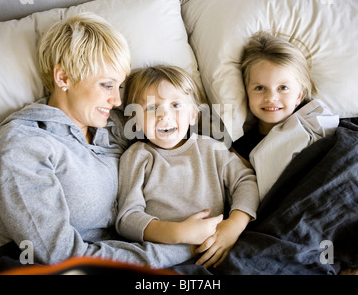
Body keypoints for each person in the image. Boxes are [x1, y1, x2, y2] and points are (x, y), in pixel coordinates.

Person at [0, 13, 192, 269]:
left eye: (119, 87)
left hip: (145, 253)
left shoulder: (112, 125)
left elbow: (186, 135)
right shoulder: (20, 146)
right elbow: (60, 254)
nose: (116, 100)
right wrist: (183, 247)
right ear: (63, 78)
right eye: (106, 85)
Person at [116, 65, 259, 269]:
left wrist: (233, 226)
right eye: (151, 107)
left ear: (193, 115)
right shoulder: (137, 157)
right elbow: (127, 218)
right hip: (168, 258)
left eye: (175, 105)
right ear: (135, 121)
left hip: (220, 248)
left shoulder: (211, 148)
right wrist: (179, 233)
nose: (164, 116)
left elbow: (245, 181)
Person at [232, 31, 339, 201]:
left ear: (299, 96)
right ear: (246, 92)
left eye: (283, 88)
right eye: (260, 88)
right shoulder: (241, 149)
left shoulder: (318, 122)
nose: (271, 97)